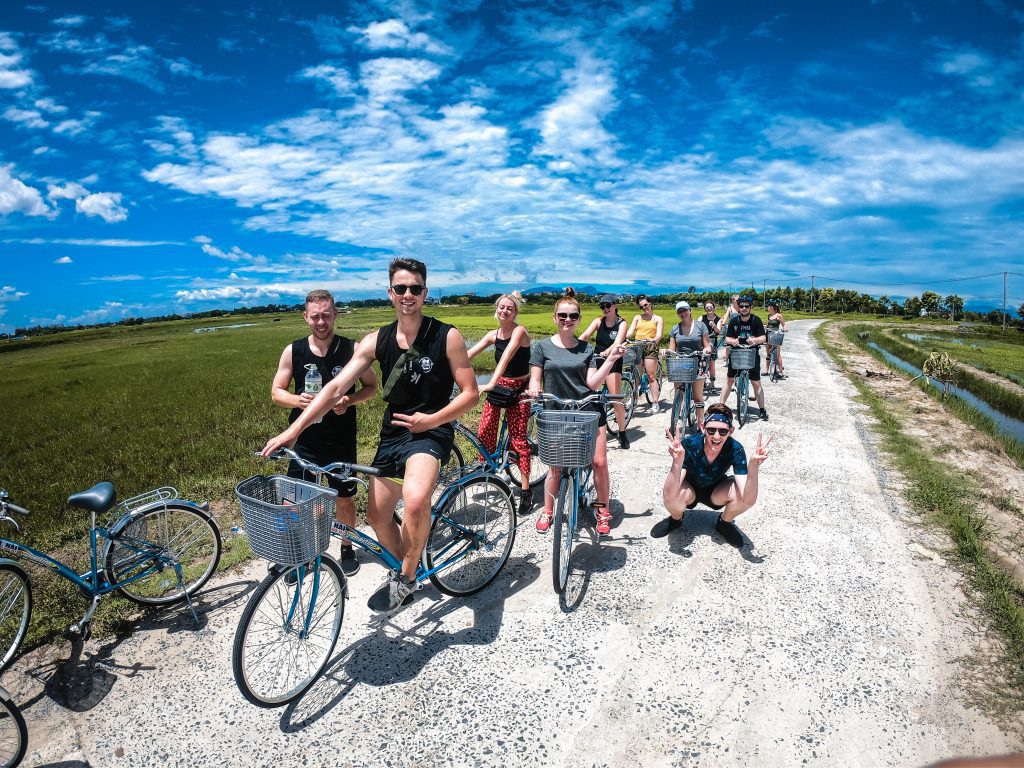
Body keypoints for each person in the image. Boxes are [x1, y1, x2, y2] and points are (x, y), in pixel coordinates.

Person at [263, 258, 479, 612]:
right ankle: (410, 568)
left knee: (414, 497)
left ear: (424, 292)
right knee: (377, 517)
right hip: (393, 431)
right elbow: (334, 388)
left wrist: (433, 419)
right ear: (390, 293)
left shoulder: (447, 335)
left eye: (414, 288)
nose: (407, 295)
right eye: (400, 289)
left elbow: (471, 392)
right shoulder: (376, 340)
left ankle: (406, 579)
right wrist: (293, 430)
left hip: (431, 430)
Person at [270, 289, 379, 577]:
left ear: (335, 315)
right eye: (315, 316)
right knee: (294, 501)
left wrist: (349, 400)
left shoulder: (352, 349)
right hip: (305, 438)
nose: (321, 322)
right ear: (306, 317)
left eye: (327, 316)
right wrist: (298, 400)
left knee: (343, 497)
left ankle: (346, 547)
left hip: (340, 437)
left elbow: (371, 387)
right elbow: (276, 392)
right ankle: (301, 556)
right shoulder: (293, 351)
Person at [528, 288, 624, 536]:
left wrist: (611, 359)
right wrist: (533, 389)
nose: (567, 320)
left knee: (599, 463)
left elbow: (592, 384)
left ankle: (602, 510)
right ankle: (548, 510)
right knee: (555, 467)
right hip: (555, 413)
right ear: (554, 317)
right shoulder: (541, 347)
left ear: (579, 319)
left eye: (572, 316)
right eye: (562, 315)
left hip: (587, 411)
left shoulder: (586, 348)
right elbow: (535, 379)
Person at [653, 402, 772, 548]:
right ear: (703, 428)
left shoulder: (735, 449)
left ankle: (724, 523)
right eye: (711, 430)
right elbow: (668, 495)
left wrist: (753, 468)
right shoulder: (689, 444)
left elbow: (748, 500)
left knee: (742, 497)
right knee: (673, 498)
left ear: (731, 431)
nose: (716, 436)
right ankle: (676, 519)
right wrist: (677, 462)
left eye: (723, 431)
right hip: (690, 490)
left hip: (717, 491)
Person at [467, 291, 534, 509]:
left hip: (520, 389)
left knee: (519, 440)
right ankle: (487, 468)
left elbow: (505, 358)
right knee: (485, 428)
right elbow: (468, 355)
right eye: (502, 307)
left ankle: (525, 491)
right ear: (496, 309)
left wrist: (490, 383)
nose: (505, 311)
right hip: (500, 386)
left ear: (515, 312)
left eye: (510, 308)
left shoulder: (520, 331)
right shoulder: (492, 335)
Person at [579, 293, 629, 449]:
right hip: (596, 359)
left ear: (615, 306)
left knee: (615, 398)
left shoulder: (622, 323)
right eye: (602, 306)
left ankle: (622, 431)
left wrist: (608, 352)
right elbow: (586, 335)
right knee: (588, 394)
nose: (605, 309)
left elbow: (618, 342)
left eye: (608, 305)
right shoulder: (598, 321)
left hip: (613, 359)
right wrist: (574, 345)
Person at [718, 295, 769, 420]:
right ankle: (719, 407)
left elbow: (763, 338)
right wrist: (733, 341)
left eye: (747, 306)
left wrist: (755, 340)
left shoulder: (756, 320)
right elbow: (727, 338)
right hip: (737, 354)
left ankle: (762, 409)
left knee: (756, 382)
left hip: (752, 354)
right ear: (738, 307)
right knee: (729, 380)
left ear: (750, 307)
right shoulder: (734, 321)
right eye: (742, 306)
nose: (744, 308)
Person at [665, 300, 712, 426]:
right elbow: (672, 348)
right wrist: (666, 351)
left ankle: (700, 426)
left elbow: (707, 345)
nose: (683, 313)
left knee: (698, 397)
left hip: (698, 360)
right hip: (681, 362)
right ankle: (674, 423)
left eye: (685, 310)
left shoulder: (700, 326)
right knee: (678, 394)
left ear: (690, 310)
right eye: (680, 311)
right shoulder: (675, 328)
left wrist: (706, 350)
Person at [626, 294, 665, 412]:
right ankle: (633, 398)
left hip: (650, 346)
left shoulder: (658, 319)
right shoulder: (637, 317)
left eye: (646, 305)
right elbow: (630, 332)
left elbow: (658, 335)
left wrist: (653, 340)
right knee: (636, 375)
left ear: (650, 304)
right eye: (641, 306)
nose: (644, 307)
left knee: (651, 376)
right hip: (637, 346)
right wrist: (623, 337)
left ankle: (655, 402)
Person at [699, 301, 722, 393]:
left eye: (710, 307)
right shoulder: (702, 318)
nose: (709, 308)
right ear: (705, 309)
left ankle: (712, 385)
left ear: (714, 308)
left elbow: (718, 331)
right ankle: (702, 382)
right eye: (707, 307)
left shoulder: (718, 319)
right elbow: (697, 327)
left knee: (712, 365)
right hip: (702, 343)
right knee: (701, 363)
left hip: (713, 342)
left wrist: (714, 325)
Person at [763, 302, 787, 378]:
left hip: (776, 335)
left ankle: (781, 372)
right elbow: (769, 325)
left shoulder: (778, 315)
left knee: (777, 354)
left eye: (768, 307)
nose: (767, 308)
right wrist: (765, 326)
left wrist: (785, 329)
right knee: (768, 353)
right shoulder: (769, 316)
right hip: (768, 334)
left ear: (772, 307)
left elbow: (784, 324)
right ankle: (766, 371)